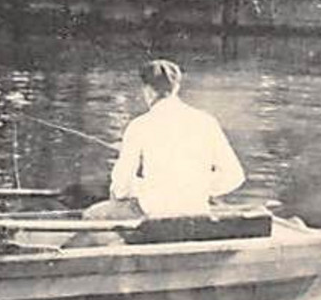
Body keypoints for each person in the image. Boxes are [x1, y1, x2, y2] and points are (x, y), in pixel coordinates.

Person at [85, 59, 245, 220]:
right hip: (197, 211)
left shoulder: (139, 125)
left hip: (154, 213)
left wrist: (135, 189)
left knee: (92, 214)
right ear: (177, 87)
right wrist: (200, 188)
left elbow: (121, 187)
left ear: (148, 90)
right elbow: (235, 176)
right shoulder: (206, 121)